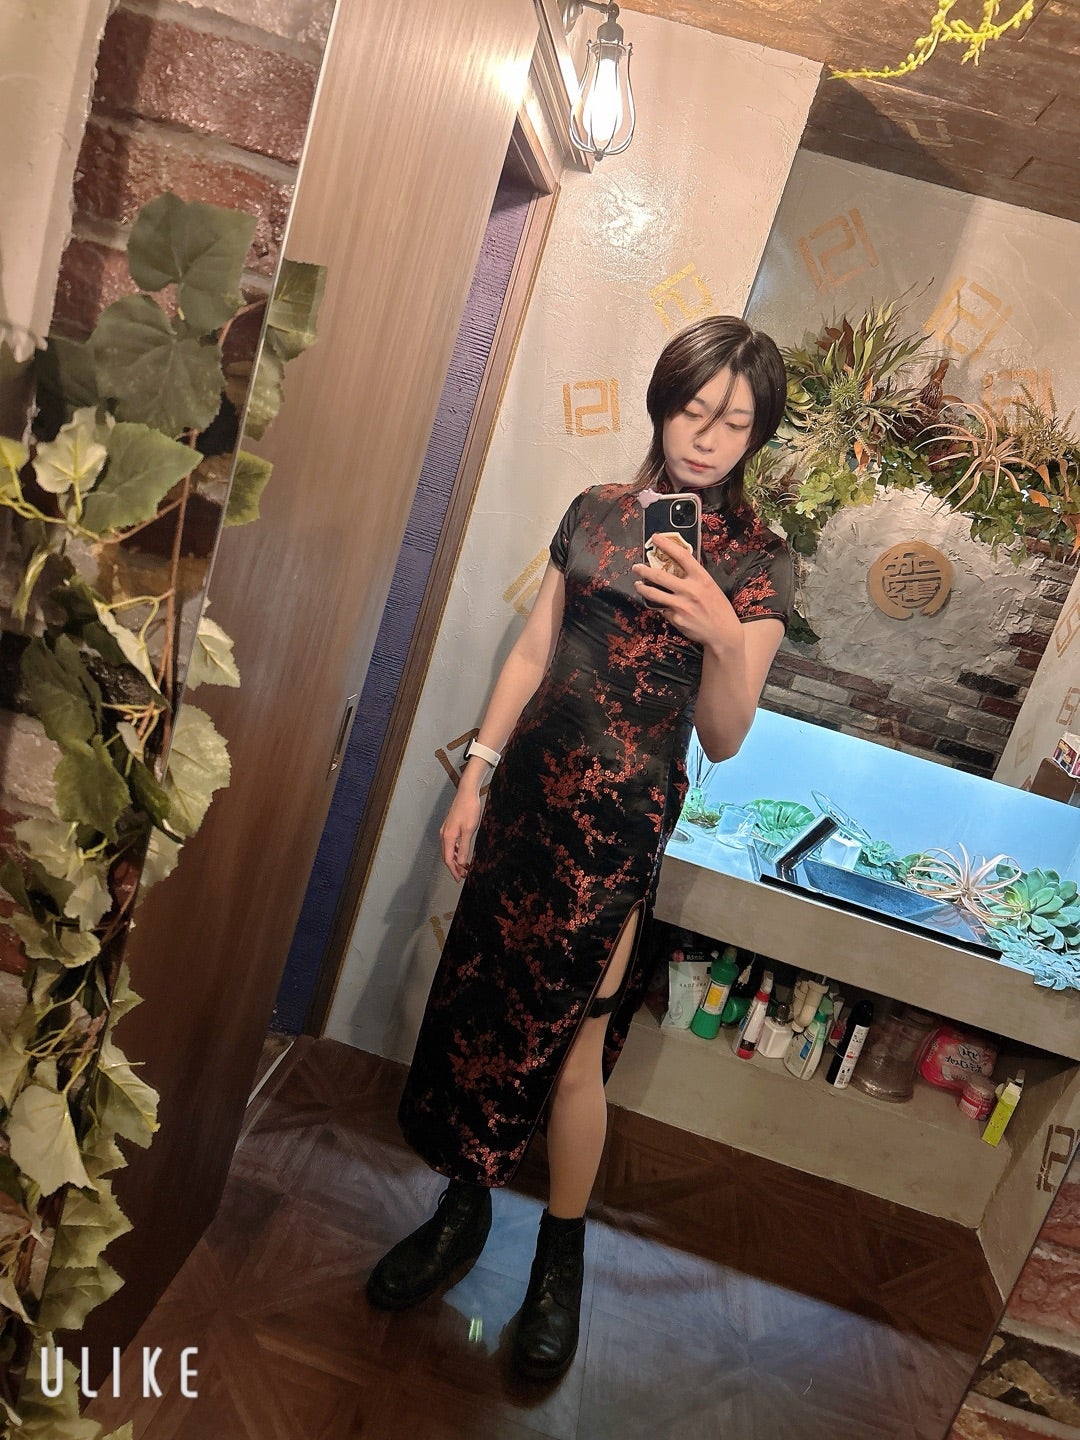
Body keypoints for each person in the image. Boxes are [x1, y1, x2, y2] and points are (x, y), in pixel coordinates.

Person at [365, 314, 794, 1380]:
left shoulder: (759, 563)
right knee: (483, 1007)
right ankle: (462, 1209)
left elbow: (725, 737)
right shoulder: (598, 510)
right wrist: (476, 775)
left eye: (735, 422)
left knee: (571, 1043)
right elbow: (534, 649)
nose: (708, 437)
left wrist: (721, 630)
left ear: (757, 435)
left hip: (616, 838)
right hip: (525, 809)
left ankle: (560, 1257)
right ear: (664, 403)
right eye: (694, 410)